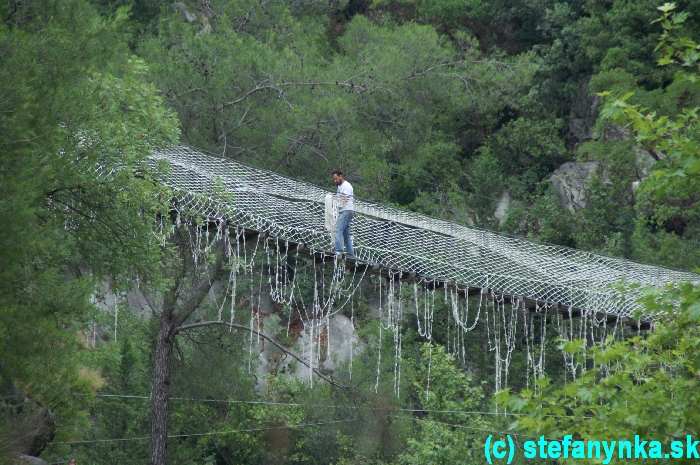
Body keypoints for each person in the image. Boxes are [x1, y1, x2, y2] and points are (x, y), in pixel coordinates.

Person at [332, 169, 354, 257]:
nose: (335, 181)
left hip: (346, 211)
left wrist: (333, 199)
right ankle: (350, 254)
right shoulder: (339, 187)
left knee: (338, 229)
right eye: (334, 179)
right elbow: (339, 200)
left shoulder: (347, 186)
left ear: (341, 176)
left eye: (336, 178)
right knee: (345, 234)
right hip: (344, 211)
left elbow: (344, 200)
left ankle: (339, 250)